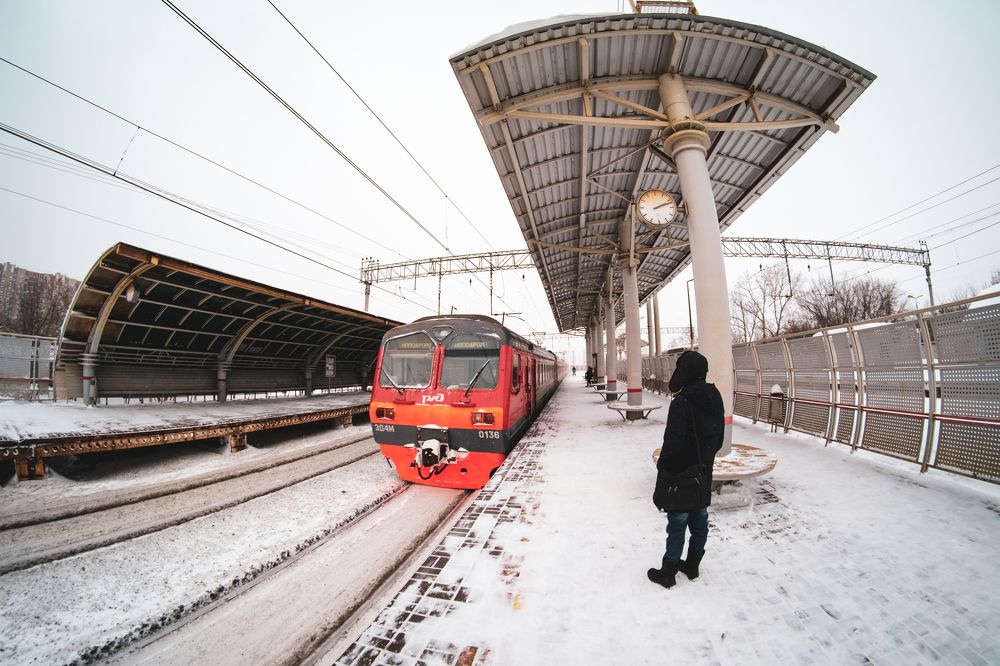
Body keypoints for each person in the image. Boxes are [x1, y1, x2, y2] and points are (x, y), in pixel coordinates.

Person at [648, 350, 724, 590]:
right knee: (700, 520)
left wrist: (665, 467)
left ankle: (668, 572)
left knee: (678, 523)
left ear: (686, 372)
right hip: (703, 471)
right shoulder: (715, 396)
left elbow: (673, 444)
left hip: (681, 476)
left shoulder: (682, 402)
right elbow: (719, 439)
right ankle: (692, 565)